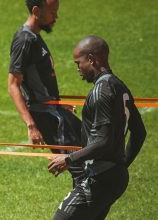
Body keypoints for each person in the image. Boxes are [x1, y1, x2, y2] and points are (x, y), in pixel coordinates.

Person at [48, 36, 146, 220]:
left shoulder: (102, 91)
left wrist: (68, 159)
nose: (77, 69)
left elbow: (103, 141)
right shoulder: (120, 86)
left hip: (99, 179)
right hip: (114, 177)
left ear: (92, 59)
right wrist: (121, 165)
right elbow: (139, 133)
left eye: (79, 63)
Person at [8, 0, 83, 183]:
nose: (56, 17)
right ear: (36, 11)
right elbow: (13, 85)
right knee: (82, 167)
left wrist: (56, 102)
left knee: (88, 152)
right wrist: (31, 126)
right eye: (52, 12)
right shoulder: (24, 40)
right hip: (47, 116)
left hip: (53, 111)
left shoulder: (34, 37)